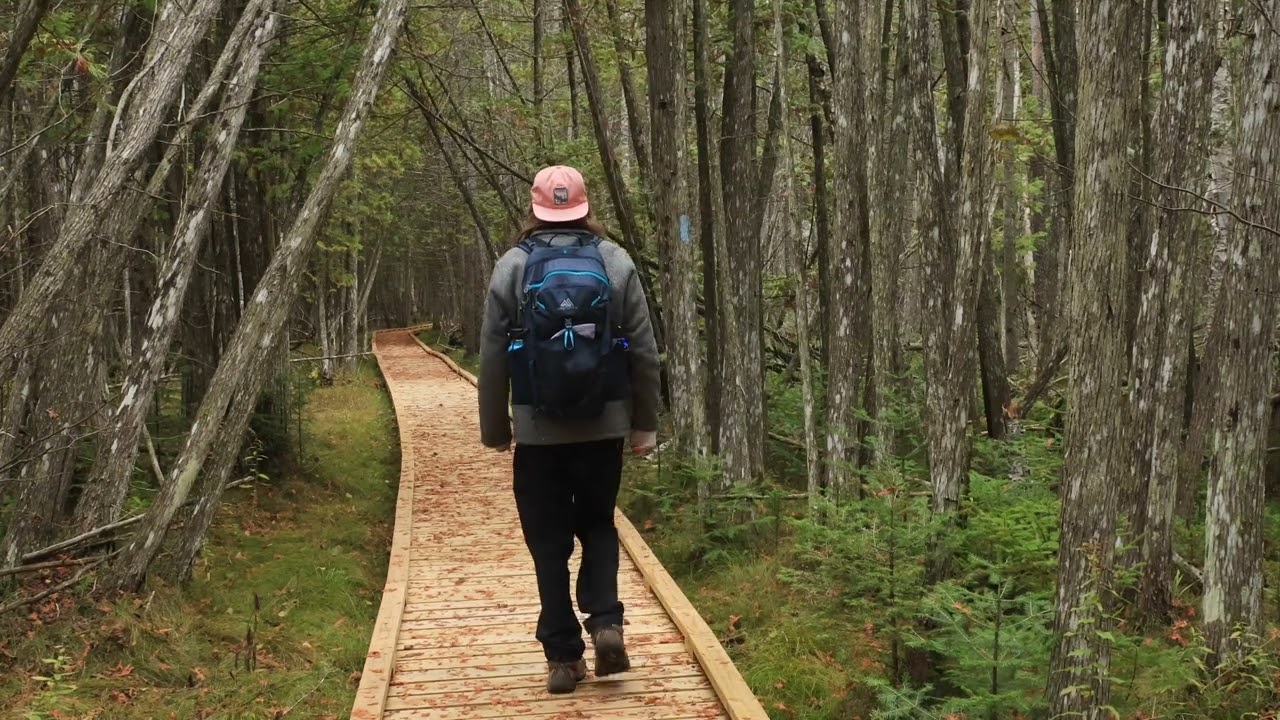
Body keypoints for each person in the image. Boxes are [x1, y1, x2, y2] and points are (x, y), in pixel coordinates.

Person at [477, 164, 661, 694]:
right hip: (604, 423)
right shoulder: (615, 260)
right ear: (586, 206)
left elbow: (492, 355)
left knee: (548, 542)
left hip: (538, 430)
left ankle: (563, 659)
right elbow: (643, 352)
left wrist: (495, 429)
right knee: (599, 524)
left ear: (534, 208)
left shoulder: (513, 265)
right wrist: (643, 425)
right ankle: (605, 620)